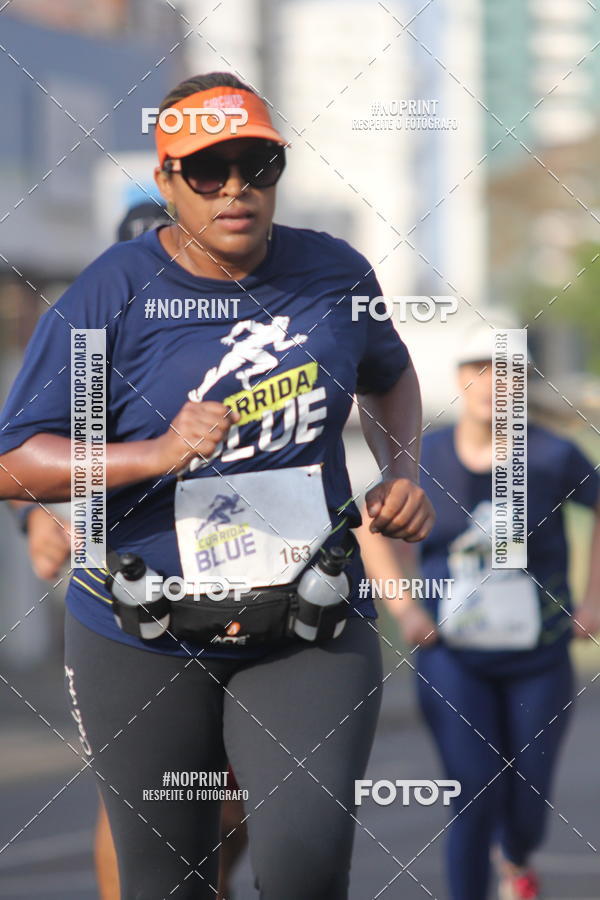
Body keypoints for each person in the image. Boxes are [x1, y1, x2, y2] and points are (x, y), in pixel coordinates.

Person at [0, 71, 434, 899]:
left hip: (306, 625)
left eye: (257, 166)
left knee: (305, 864)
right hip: (144, 634)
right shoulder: (111, 293)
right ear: (166, 181)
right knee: (167, 879)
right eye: (207, 170)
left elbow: (390, 375)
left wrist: (403, 472)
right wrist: (151, 455)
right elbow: (15, 458)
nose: (236, 188)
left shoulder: (333, 274)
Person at [6, 200, 248, 900]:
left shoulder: (237, 325)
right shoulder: (93, 334)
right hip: (127, 583)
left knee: (232, 799)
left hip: (240, 574)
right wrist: (35, 519)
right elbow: (37, 450)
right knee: (137, 802)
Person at [359, 316, 600, 900]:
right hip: (452, 656)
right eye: (480, 370)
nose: (494, 382)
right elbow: (369, 523)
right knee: (472, 791)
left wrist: (593, 601)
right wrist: (405, 609)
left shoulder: (554, 455)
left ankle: (516, 857)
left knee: (529, 799)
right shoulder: (427, 455)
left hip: (539, 654)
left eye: (508, 372)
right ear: (460, 378)